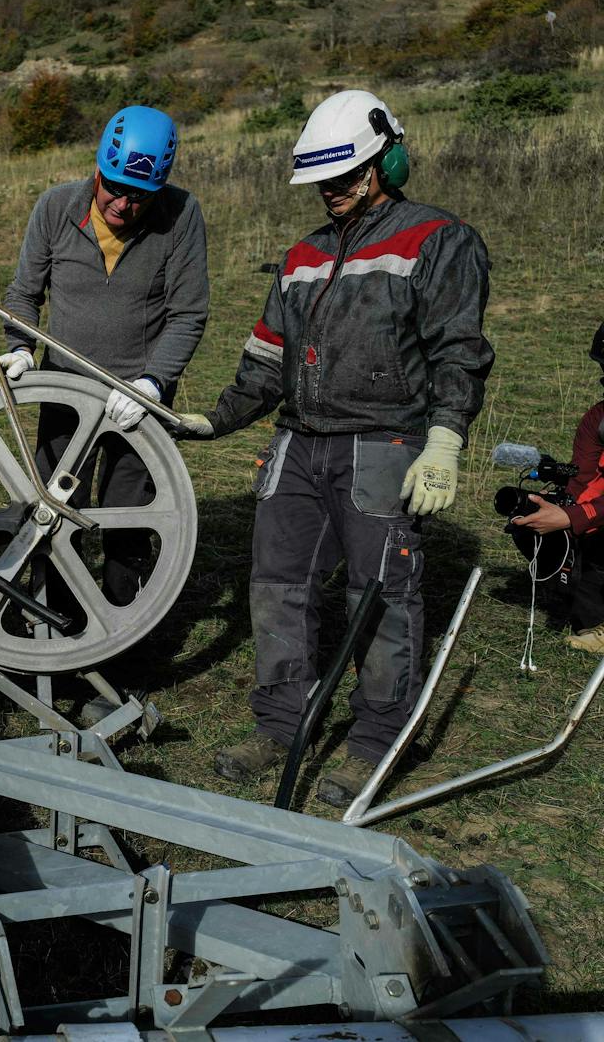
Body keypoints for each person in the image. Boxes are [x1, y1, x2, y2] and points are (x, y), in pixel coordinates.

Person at [172, 90, 495, 806]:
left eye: (346, 178)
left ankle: (375, 743)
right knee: (277, 588)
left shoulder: (438, 239)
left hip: (385, 443)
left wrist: (444, 439)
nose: (333, 193)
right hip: (300, 441)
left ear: (389, 160)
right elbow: (265, 360)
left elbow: (459, 350)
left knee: (379, 597)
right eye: (323, 182)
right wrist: (214, 421)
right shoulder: (302, 256)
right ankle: (282, 723)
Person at [0, 105, 208, 609]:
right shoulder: (55, 209)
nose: (124, 205)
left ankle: (118, 631)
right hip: (65, 392)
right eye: (114, 188)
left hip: (138, 403)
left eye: (140, 196)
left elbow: (188, 313)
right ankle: (53, 621)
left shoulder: (181, 215)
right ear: (98, 170)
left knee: (127, 518)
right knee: (54, 511)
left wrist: (153, 383)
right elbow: (24, 293)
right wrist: (20, 349)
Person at [511, 322, 604, 653]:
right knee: (535, 519)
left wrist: (573, 518)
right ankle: (585, 608)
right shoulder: (598, 419)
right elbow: (586, 481)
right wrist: (561, 511)